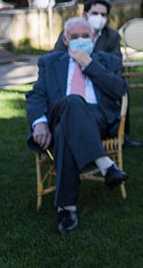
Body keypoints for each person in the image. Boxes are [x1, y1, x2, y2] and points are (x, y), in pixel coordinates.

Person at [26, 17, 129, 234]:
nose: (80, 40)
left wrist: (88, 64)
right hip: (58, 112)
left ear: (92, 37)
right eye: (74, 37)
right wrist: (40, 123)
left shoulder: (107, 60)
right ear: (65, 39)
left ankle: (67, 208)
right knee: (72, 101)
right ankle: (106, 165)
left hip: (95, 118)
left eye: (85, 36)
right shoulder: (50, 61)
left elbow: (119, 89)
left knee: (65, 131)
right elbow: (36, 95)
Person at [52, 0, 141, 147]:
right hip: (72, 82)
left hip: (98, 83)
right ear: (85, 14)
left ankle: (122, 136)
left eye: (103, 14)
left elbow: (115, 64)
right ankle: (103, 162)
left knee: (118, 89)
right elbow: (57, 59)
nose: (99, 17)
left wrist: (91, 63)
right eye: (95, 13)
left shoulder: (111, 36)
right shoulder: (70, 32)